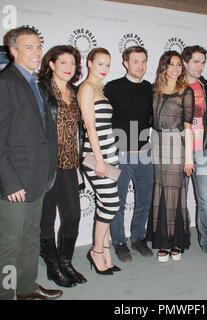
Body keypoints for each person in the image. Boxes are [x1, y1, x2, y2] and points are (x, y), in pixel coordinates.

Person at [0, 27, 61, 300]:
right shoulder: (5, 83)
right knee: (9, 243)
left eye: (39, 45)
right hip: (13, 182)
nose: (37, 51)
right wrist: (10, 182)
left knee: (30, 238)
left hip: (36, 179)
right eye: (29, 47)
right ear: (13, 51)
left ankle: (27, 289)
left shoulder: (35, 83)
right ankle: (5, 294)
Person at [38, 45, 87, 287]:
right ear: (51, 64)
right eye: (63, 63)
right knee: (46, 218)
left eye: (73, 63)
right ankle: (52, 266)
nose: (69, 68)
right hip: (46, 165)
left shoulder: (76, 92)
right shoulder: (41, 91)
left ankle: (66, 262)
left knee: (72, 216)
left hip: (69, 164)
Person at [104, 46, 154, 262]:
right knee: (118, 202)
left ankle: (138, 238)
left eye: (143, 61)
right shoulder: (112, 88)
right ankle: (119, 242)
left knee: (144, 200)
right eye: (135, 61)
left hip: (144, 153)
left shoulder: (149, 88)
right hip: (120, 154)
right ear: (125, 63)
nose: (140, 66)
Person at [146, 50, 195, 262]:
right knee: (160, 192)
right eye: (171, 64)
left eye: (178, 65)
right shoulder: (154, 90)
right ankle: (162, 242)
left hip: (176, 145)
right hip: (157, 145)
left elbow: (188, 127)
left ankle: (175, 242)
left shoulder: (186, 92)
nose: (175, 69)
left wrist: (189, 158)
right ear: (163, 66)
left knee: (174, 193)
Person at [78, 47, 120, 274]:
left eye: (107, 64)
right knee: (111, 203)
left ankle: (105, 249)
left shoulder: (99, 89)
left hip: (109, 153)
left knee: (106, 203)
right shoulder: (86, 89)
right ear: (89, 63)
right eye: (100, 64)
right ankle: (96, 251)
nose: (104, 69)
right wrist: (100, 160)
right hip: (97, 156)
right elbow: (90, 126)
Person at [181, 45, 207, 260]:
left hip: (203, 149)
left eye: (203, 62)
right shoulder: (175, 86)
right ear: (185, 62)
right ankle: (183, 236)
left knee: (205, 200)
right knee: (180, 198)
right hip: (180, 151)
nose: (200, 66)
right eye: (195, 61)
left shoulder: (206, 86)